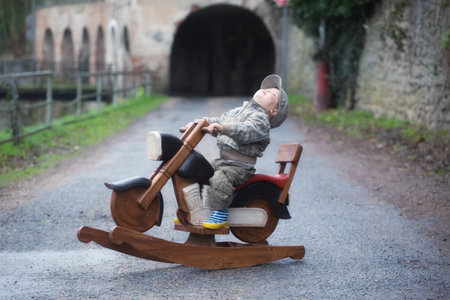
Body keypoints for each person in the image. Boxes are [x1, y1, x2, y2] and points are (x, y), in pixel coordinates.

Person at [185, 74, 289, 229]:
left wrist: (223, 128)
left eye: (273, 94)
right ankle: (196, 212)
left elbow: (246, 131)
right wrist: (200, 123)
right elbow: (219, 119)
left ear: (274, 111)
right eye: (267, 88)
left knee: (220, 179)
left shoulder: (261, 120)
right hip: (224, 161)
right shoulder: (240, 110)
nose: (267, 90)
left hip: (239, 168)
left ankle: (220, 214)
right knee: (198, 170)